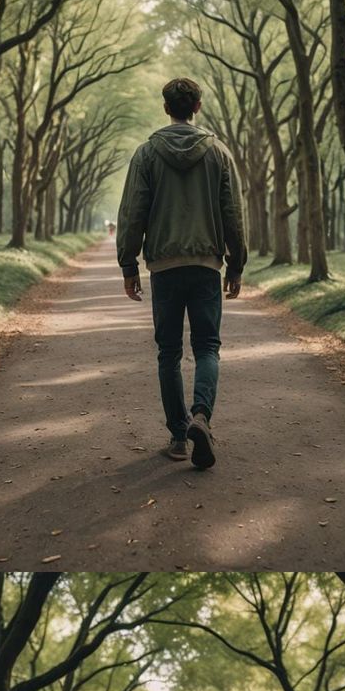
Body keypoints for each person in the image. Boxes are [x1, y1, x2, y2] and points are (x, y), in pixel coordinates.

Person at [115, 78, 248, 471]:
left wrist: (129, 264)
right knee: (207, 347)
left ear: (166, 107)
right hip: (206, 266)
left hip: (165, 268)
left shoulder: (146, 154)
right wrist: (236, 262)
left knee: (169, 352)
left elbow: (132, 211)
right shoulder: (219, 153)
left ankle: (177, 436)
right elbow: (233, 213)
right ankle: (201, 416)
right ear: (198, 106)